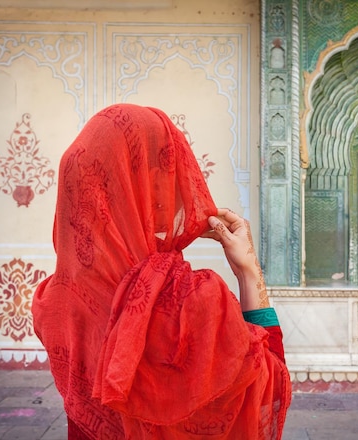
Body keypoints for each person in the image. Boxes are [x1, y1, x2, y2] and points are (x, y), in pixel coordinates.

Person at [32, 103, 291, 439]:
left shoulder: (54, 300)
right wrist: (248, 270)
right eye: (166, 169)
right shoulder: (188, 304)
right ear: (144, 185)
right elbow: (268, 389)